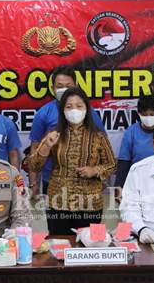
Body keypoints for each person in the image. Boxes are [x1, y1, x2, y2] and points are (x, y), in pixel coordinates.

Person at [27, 87, 116, 235]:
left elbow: (112, 164)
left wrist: (95, 170)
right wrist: (46, 146)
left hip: (90, 204)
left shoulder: (98, 136)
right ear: (63, 110)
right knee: (60, 247)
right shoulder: (54, 135)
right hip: (58, 202)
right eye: (69, 107)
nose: (74, 110)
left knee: (88, 248)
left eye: (79, 106)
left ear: (86, 109)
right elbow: (34, 166)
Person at [28, 65, 105, 196]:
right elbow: (34, 149)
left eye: (68, 86)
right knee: (56, 216)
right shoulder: (43, 113)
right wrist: (33, 183)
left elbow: (102, 147)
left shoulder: (89, 112)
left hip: (85, 181)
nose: (64, 90)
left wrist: (102, 176)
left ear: (75, 87)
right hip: (53, 180)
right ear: (53, 88)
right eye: (59, 86)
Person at [115, 94, 154, 189]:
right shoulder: (131, 132)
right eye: (144, 114)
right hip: (137, 183)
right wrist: (118, 185)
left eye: (152, 114)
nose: (148, 117)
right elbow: (124, 161)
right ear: (139, 114)